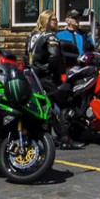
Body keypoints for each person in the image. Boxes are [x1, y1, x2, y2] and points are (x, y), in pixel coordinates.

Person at [25, 10, 82, 150]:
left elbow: (26, 57)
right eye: (53, 19)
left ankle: (48, 138)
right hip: (48, 77)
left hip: (33, 76)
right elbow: (54, 57)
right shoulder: (50, 37)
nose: (56, 22)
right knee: (65, 103)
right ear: (46, 21)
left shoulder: (31, 36)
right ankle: (65, 139)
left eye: (56, 19)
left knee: (47, 105)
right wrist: (53, 71)